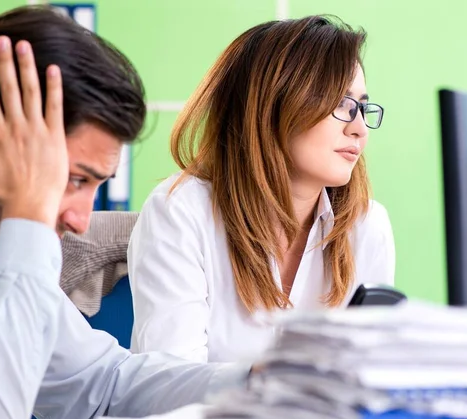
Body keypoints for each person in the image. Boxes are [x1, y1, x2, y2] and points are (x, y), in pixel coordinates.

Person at [0, 6, 248, 419]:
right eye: (70, 179)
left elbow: (102, 386)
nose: (81, 219)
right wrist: (28, 218)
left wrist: (258, 384)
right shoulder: (14, 240)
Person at [128, 16, 396, 363]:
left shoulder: (367, 225)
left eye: (361, 106)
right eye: (341, 105)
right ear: (272, 106)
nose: (360, 129)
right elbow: (169, 389)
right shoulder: (180, 211)